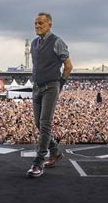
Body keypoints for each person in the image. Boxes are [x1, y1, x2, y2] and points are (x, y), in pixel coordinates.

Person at [27, 12, 73, 178]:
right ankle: (55, 152)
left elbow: (68, 66)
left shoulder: (57, 42)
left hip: (51, 86)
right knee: (39, 124)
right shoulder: (33, 43)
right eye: (35, 23)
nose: (37, 26)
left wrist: (60, 83)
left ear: (49, 25)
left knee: (45, 123)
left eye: (41, 23)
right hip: (37, 86)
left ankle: (38, 162)